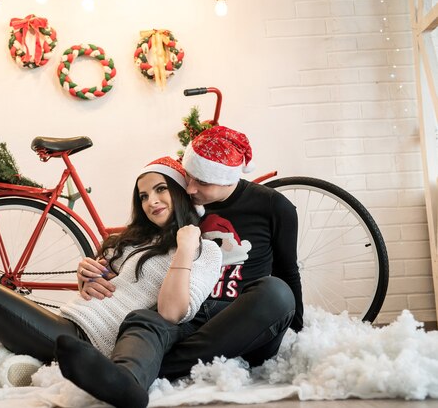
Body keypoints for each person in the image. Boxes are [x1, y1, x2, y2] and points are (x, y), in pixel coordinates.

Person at [0, 156, 222, 403]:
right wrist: (86, 276)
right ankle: (19, 367)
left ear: (180, 192)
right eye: (143, 195)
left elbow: (171, 311)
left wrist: (186, 245)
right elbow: (104, 285)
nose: (151, 201)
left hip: (85, 340)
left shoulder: (203, 250)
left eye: (161, 189)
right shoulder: (136, 241)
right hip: (68, 321)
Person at [74, 126, 303, 400]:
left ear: (227, 179)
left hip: (242, 320)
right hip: (186, 317)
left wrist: (299, 333)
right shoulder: (182, 201)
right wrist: (93, 275)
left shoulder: (274, 206)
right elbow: (140, 254)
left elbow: (288, 271)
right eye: (189, 177)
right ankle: (129, 377)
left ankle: (152, 366)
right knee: (145, 318)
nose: (191, 188)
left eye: (202, 183)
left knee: (275, 292)